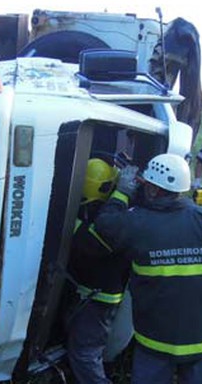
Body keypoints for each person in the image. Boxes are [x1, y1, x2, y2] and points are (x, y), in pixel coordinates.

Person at [94, 153, 202, 384]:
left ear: (152, 190)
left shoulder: (136, 222)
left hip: (154, 342)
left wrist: (122, 192)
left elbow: (104, 225)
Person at [66, 158, 131, 384]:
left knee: (85, 353)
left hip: (99, 298)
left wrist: (121, 195)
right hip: (96, 294)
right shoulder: (111, 212)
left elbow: (95, 242)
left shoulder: (107, 220)